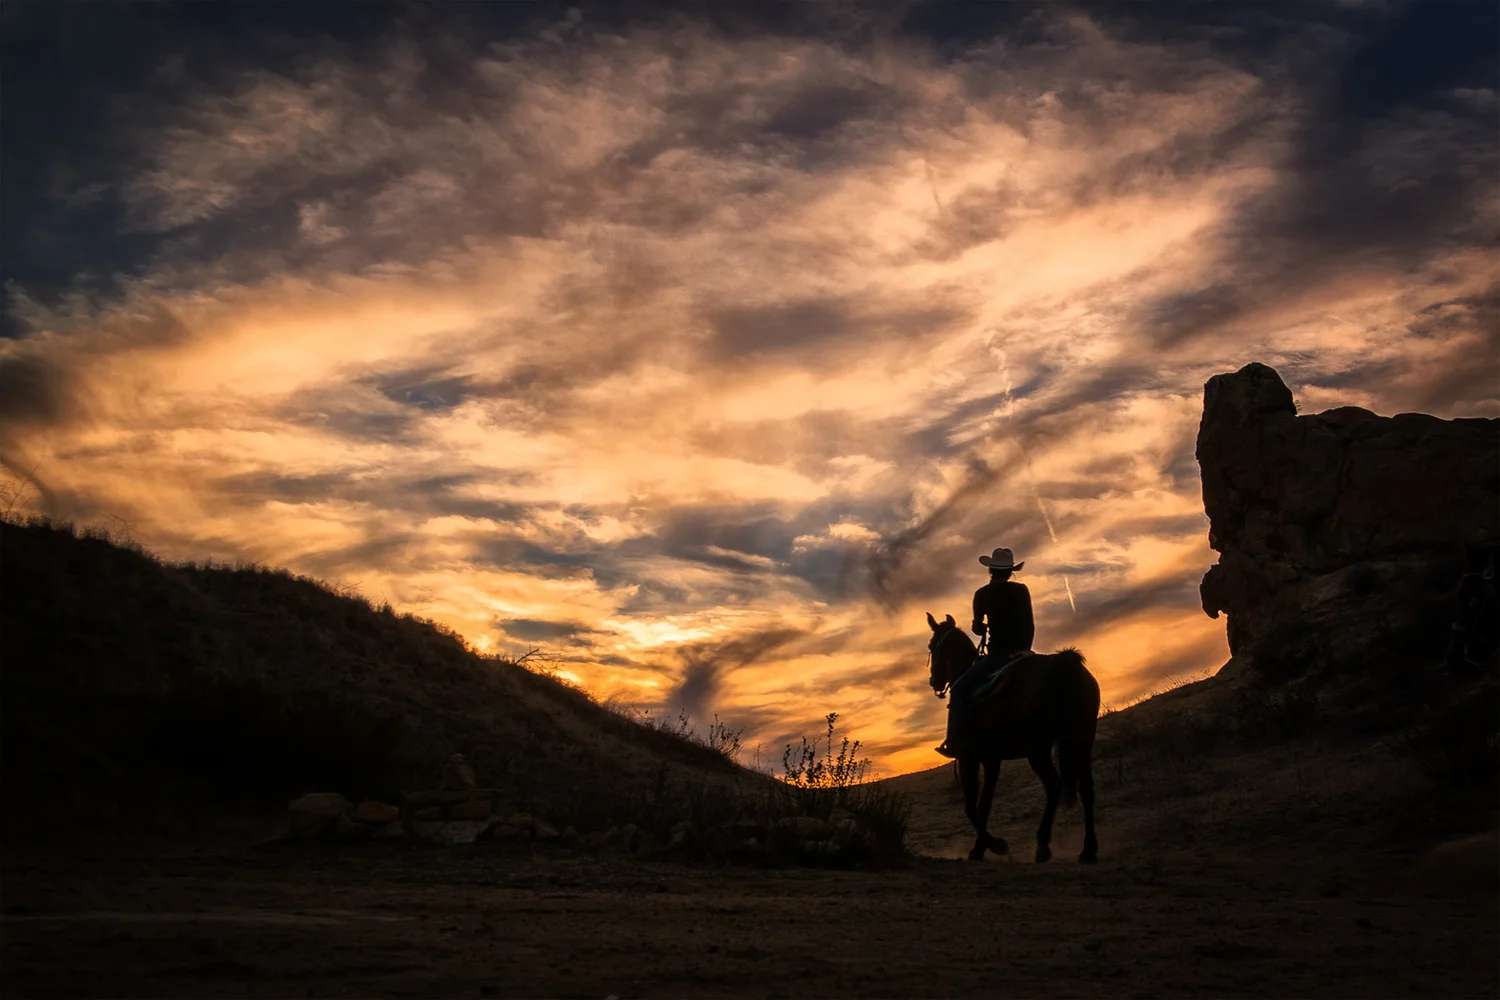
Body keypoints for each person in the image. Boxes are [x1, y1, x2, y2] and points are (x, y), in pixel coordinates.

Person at [935, 546, 1036, 758]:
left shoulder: (982, 594)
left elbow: (977, 628)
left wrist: (981, 627)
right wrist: (1024, 650)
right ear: (1010, 572)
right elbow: (1030, 624)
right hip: (1024, 653)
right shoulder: (1022, 590)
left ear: (990, 571)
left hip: (998, 655)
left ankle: (954, 742)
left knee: (959, 690)